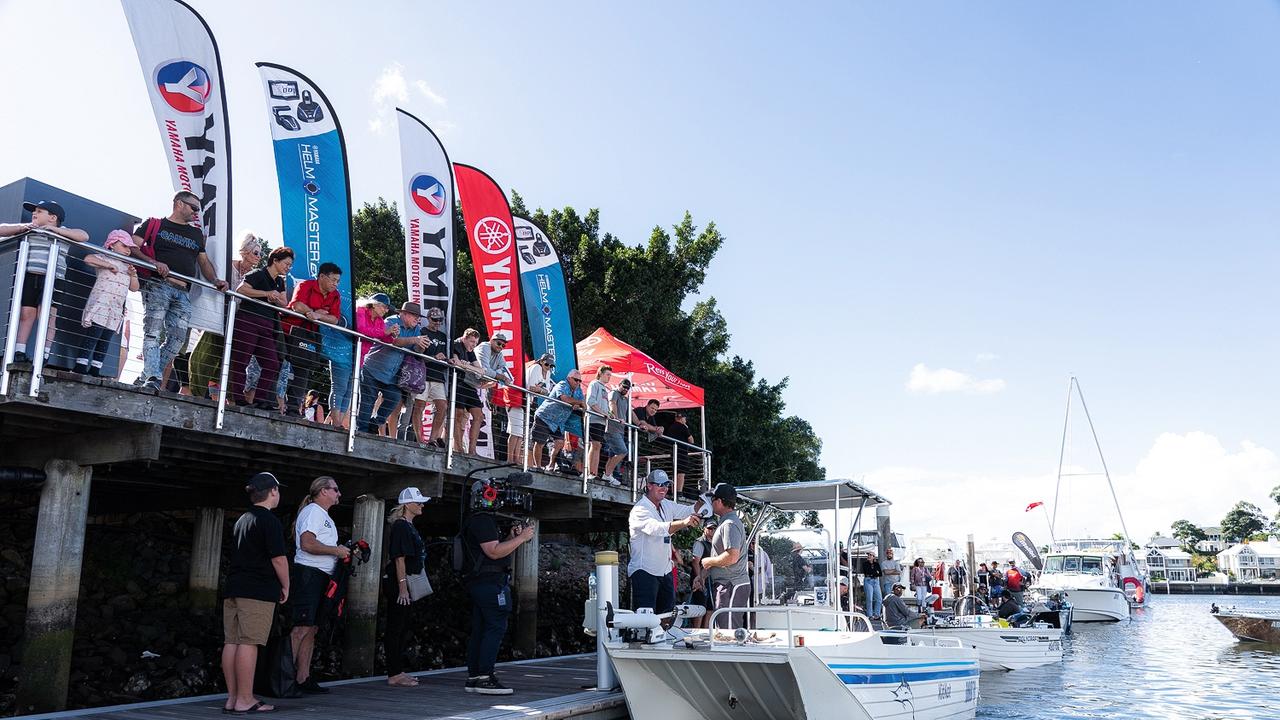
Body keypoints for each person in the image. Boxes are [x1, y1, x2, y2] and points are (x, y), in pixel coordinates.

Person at [133, 191, 229, 390]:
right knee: (152, 332)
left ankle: (148, 375)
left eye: (198, 209)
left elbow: (203, 261)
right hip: (158, 285)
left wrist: (216, 280)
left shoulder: (195, 233)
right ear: (179, 204)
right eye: (194, 208)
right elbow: (133, 247)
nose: (196, 213)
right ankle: (152, 376)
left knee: (177, 340)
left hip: (183, 291)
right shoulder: (153, 224)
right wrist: (153, 262)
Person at [221, 472, 289, 715]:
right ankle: (245, 699)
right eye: (278, 490)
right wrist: (286, 586)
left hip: (234, 587)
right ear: (272, 491)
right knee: (250, 643)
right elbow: (278, 559)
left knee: (232, 641)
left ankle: (232, 698)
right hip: (257, 589)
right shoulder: (269, 521)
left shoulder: (242, 520)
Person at [460, 481, 536, 695]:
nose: (497, 498)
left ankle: (475, 676)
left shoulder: (478, 520)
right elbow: (493, 552)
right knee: (495, 627)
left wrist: (511, 537)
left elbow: (492, 549)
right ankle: (485, 677)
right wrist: (521, 538)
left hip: (480, 582)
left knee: (481, 629)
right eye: (493, 494)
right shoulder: (482, 520)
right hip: (488, 584)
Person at [0, 200, 90, 364]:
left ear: (53, 217)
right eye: (34, 211)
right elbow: (1, 229)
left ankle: (44, 354)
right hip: (30, 277)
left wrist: (55, 231)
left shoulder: (62, 231)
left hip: (54, 280)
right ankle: (19, 351)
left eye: (39, 211)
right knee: (26, 315)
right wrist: (22, 227)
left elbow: (83, 235)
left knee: (48, 317)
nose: (34, 213)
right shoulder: (29, 229)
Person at [291, 476, 351, 694]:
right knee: (301, 627)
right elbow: (307, 543)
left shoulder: (322, 515)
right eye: (336, 490)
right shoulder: (313, 512)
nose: (339, 494)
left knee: (312, 628)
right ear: (323, 491)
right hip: (309, 573)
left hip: (321, 575)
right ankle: (284, 676)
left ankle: (302, 677)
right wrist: (336, 550)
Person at [188, 232, 262, 397]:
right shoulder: (228, 266)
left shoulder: (255, 276)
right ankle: (197, 394)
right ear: (245, 252)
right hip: (219, 318)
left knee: (229, 364)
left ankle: (227, 399)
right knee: (202, 357)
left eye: (260, 253)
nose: (259, 257)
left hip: (238, 324)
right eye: (256, 252)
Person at [627, 469, 702, 613]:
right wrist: (684, 523)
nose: (664, 488)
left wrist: (704, 499)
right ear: (649, 486)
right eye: (660, 484)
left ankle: (664, 634)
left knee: (667, 615)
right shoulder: (639, 509)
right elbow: (657, 529)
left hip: (665, 570)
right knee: (645, 619)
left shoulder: (666, 504)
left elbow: (690, 510)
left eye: (667, 485)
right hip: (644, 571)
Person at [229, 247, 292, 410]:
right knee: (241, 360)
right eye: (286, 263)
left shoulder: (280, 281)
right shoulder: (257, 273)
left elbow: (284, 302)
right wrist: (266, 293)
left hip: (267, 326)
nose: (288, 267)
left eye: (290, 265)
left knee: (272, 363)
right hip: (248, 321)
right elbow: (241, 289)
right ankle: (238, 397)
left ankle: (260, 399)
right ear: (275, 261)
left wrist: (275, 297)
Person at [382, 487, 431, 688]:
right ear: (407, 505)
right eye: (418, 502)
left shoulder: (408, 526)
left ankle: (398, 670)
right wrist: (403, 588)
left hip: (406, 580)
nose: (422, 505)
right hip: (399, 582)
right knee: (396, 627)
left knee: (402, 627)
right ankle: (394, 672)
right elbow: (399, 559)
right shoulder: (401, 527)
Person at [281, 262, 342, 417]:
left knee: (303, 370)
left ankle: (293, 409)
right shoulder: (306, 285)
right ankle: (270, 402)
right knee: (278, 365)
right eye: (333, 279)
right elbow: (296, 305)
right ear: (321, 276)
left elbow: (334, 319)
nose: (335, 284)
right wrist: (314, 312)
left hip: (309, 336)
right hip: (288, 331)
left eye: (338, 281)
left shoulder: (335, 295)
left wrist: (318, 316)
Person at [74, 230, 139, 376]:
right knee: (93, 335)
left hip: (116, 309)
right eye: (124, 246)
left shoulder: (128, 267)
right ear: (111, 245)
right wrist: (108, 265)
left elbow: (134, 288)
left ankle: (96, 368)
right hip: (101, 304)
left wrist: (133, 275)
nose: (128, 250)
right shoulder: (105, 257)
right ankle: (81, 364)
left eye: (129, 248)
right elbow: (88, 259)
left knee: (106, 338)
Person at [355, 302, 426, 434]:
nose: (417, 319)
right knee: (367, 401)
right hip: (373, 369)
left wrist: (422, 345)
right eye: (414, 315)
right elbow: (393, 341)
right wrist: (415, 340)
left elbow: (416, 350)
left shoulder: (416, 329)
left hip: (392, 375)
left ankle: (375, 423)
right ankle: (361, 431)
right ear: (403, 314)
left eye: (418, 316)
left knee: (394, 397)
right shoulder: (391, 321)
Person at [700, 483, 750, 629]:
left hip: (731, 585)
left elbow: (732, 557)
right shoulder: (727, 522)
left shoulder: (729, 524)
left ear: (719, 501)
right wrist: (702, 575)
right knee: (725, 630)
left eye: (712, 499)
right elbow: (721, 556)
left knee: (728, 633)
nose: (710, 503)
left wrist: (708, 561)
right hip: (729, 584)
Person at [531, 369, 586, 470]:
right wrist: (577, 402)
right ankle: (537, 466)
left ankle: (551, 464)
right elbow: (564, 398)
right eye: (576, 380)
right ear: (569, 378)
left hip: (558, 423)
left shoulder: (579, 390)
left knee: (560, 443)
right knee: (540, 442)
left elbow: (584, 405)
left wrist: (578, 405)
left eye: (580, 381)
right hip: (545, 417)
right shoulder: (562, 384)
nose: (578, 382)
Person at [451, 328, 491, 454]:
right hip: (456, 382)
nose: (473, 345)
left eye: (475, 342)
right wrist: (468, 367)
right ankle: (458, 448)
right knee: (458, 415)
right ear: (464, 338)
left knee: (478, 416)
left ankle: (472, 450)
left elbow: (481, 370)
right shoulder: (457, 344)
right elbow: (456, 363)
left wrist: (465, 365)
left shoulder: (470, 350)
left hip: (468, 384)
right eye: (472, 341)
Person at [414, 307, 450, 447]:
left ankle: (432, 439)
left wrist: (446, 359)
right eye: (435, 320)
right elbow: (417, 355)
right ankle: (419, 439)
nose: (437, 322)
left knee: (443, 406)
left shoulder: (442, 336)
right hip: (423, 374)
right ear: (428, 319)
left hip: (438, 376)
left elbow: (443, 356)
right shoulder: (422, 332)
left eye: (440, 320)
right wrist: (434, 357)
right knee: (419, 406)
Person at [523, 353, 555, 467]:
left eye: (551, 366)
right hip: (527, 402)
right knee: (527, 434)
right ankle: (527, 464)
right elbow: (531, 388)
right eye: (547, 364)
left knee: (532, 436)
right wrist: (541, 390)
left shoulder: (548, 372)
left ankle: (530, 464)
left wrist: (540, 389)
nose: (548, 367)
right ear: (541, 361)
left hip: (535, 404)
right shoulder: (536, 368)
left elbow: (547, 391)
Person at [601, 378, 631, 485]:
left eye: (628, 388)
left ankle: (608, 475)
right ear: (619, 385)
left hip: (620, 430)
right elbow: (612, 404)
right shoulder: (614, 393)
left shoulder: (626, 399)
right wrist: (617, 418)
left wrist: (641, 423)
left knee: (612, 455)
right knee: (623, 451)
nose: (625, 389)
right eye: (624, 386)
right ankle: (607, 475)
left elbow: (631, 413)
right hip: (612, 429)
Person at [689, 518, 717, 628]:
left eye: (714, 528)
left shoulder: (715, 543)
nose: (712, 530)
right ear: (704, 529)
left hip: (710, 578)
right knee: (700, 607)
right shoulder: (699, 542)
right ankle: (696, 631)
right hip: (700, 579)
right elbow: (695, 562)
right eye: (710, 528)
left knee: (710, 607)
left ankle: (706, 631)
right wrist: (699, 579)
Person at [862, 550, 884, 620]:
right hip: (868, 580)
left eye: (870, 555)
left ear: (874, 557)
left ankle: (876, 614)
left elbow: (880, 573)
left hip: (876, 581)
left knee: (879, 598)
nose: (869, 556)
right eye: (868, 555)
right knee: (869, 598)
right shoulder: (865, 563)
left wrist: (873, 573)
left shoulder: (876, 564)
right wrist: (875, 572)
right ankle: (870, 615)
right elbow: (867, 571)